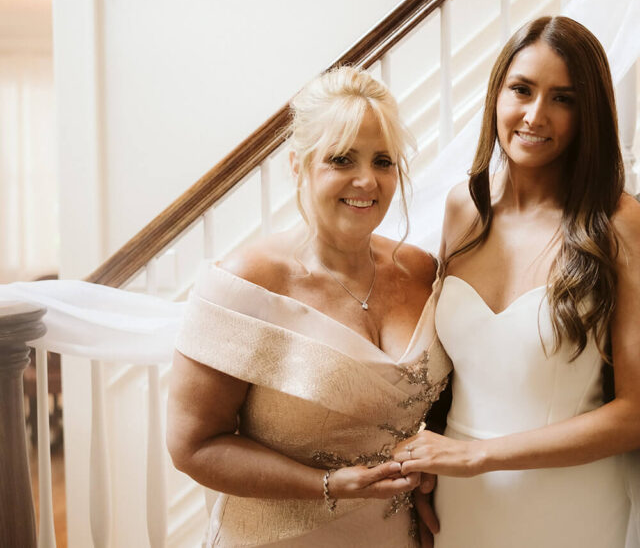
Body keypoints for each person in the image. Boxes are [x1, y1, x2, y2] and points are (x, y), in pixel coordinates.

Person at [395, 16, 640, 548]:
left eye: (563, 99)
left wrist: (477, 457)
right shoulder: (462, 208)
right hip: (460, 503)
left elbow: (639, 416)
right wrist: (430, 464)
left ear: (589, 113)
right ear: (498, 93)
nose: (535, 115)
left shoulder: (619, 224)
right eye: (522, 89)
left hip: (569, 506)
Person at [166, 66, 451, 547]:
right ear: (298, 165)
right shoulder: (244, 285)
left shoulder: (422, 270)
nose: (367, 180)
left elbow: (444, 397)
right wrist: (325, 485)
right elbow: (194, 446)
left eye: (383, 161)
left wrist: (433, 476)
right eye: (342, 159)